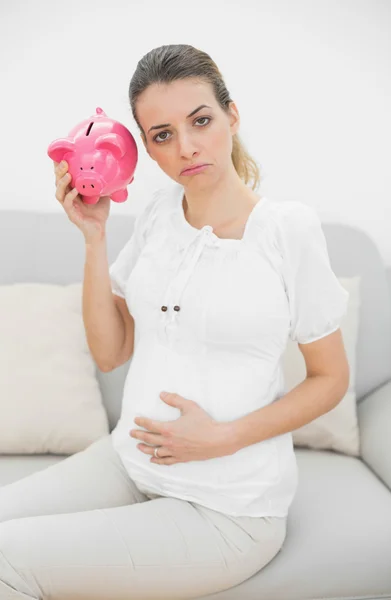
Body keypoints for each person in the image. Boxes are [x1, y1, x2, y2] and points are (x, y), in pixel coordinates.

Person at [0, 44, 350, 599]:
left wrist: (223, 437)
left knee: (7, 563)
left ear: (232, 117)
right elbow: (112, 352)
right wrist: (94, 237)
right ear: (147, 149)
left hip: (226, 509)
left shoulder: (287, 230)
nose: (186, 147)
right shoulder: (160, 215)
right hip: (128, 464)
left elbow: (331, 379)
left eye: (201, 121)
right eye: (162, 135)